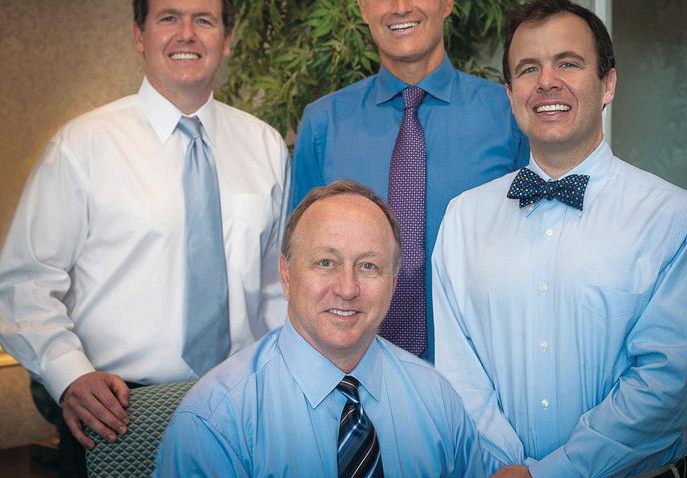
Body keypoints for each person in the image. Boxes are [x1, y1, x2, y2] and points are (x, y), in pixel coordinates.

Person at [0, 0, 290, 475]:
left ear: (227, 39)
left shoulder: (265, 145)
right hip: (117, 413)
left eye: (204, 20)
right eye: (168, 18)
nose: (187, 34)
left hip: (241, 407)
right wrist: (69, 375)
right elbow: (24, 283)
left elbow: (275, 285)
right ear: (139, 35)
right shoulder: (82, 147)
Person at [432, 0, 687, 478]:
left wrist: (551, 473)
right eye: (528, 68)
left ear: (608, 84)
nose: (547, 81)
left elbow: (664, 384)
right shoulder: (463, 218)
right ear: (510, 95)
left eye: (568, 63)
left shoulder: (676, 220)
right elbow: (458, 373)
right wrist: (509, 467)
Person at [292, 0, 528, 361]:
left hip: (479, 368)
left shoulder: (509, 115)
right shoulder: (323, 123)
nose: (401, 6)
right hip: (351, 369)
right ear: (362, 6)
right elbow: (300, 263)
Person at [154, 180, 486, 477]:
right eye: (325, 262)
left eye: (368, 266)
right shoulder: (215, 419)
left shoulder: (437, 400)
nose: (347, 288)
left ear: (393, 284)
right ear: (286, 274)